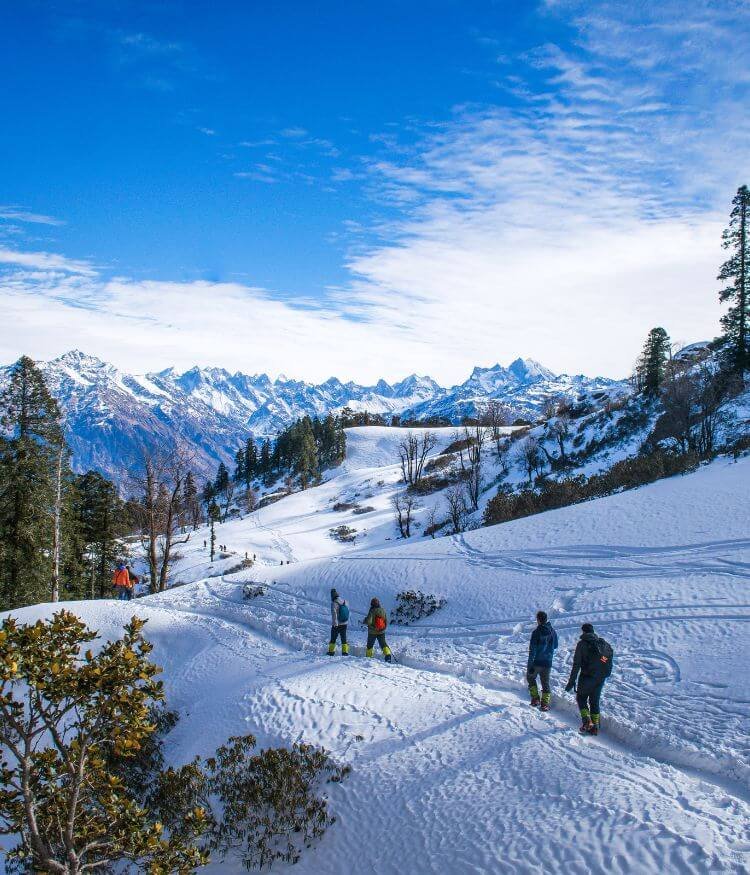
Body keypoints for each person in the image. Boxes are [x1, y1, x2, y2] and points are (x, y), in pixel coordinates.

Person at [565, 623, 614, 735]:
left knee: (581, 698)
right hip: (600, 678)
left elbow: (576, 664)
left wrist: (571, 681)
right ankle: (595, 726)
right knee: (594, 701)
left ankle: (587, 721)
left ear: (583, 632)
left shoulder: (582, 644)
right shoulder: (603, 644)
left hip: (587, 676)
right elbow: (608, 658)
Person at [527, 610, 558, 711]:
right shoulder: (552, 631)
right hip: (548, 662)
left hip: (537, 662)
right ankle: (545, 704)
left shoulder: (536, 632)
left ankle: (535, 698)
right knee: (545, 683)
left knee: (530, 678)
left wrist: (530, 666)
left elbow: (532, 650)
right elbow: (556, 646)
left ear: (538, 620)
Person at [361, 597, 392, 662]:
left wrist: (364, 620)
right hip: (382, 631)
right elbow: (386, 621)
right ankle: (388, 655)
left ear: (372, 604)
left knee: (370, 645)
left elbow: (368, 622)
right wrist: (383, 628)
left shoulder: (372, 611)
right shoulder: (382, 610)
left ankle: (368, 658)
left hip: (372, 632)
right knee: (383, 644)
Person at [327, 588, 350, 656]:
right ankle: (345, 652)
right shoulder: (345, 601)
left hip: (337, 624)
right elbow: (347, 612)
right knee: (344, 638)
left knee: (333, 638)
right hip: (345, 623)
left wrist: (335, 624)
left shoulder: (334, 603)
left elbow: (334, 614)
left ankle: (331, 652)